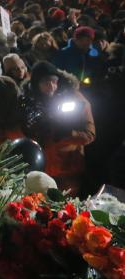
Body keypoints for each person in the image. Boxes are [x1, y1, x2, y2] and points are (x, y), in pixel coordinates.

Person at [19, 61, 95, 195]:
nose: (51, 85)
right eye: (46, 81)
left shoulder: (75, 99)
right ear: (36, 83)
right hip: (42, 169)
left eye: (54, 81)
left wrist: (68, 134)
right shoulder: (28, 101)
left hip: (69, 168)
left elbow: (90, 134)